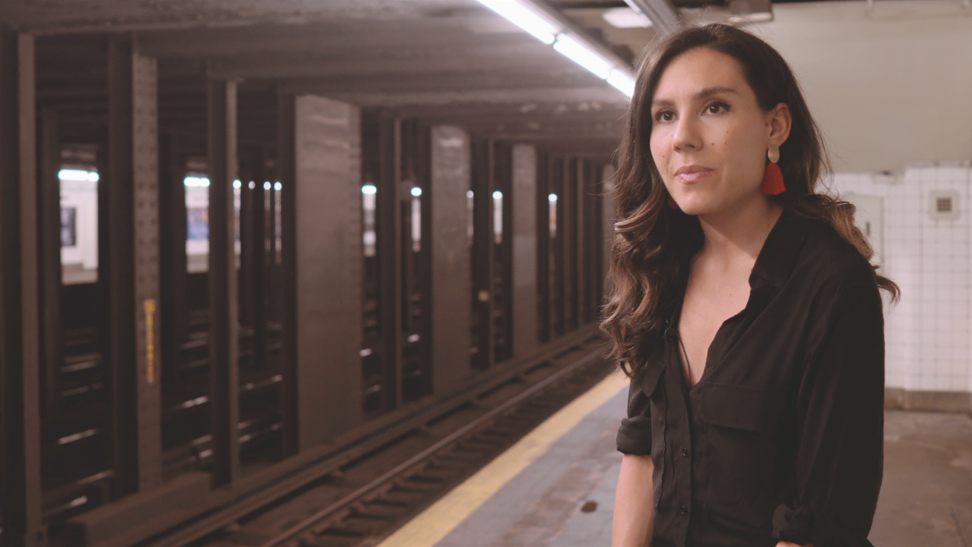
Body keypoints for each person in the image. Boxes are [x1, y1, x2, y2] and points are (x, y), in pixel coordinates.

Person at [602, 23, 898, 547]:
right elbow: (644, 451)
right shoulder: (661, 271)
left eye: (714, 107)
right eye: (664, 115)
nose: (683, 136)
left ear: (775, 126)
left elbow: (823, 522)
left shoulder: (829, 285)